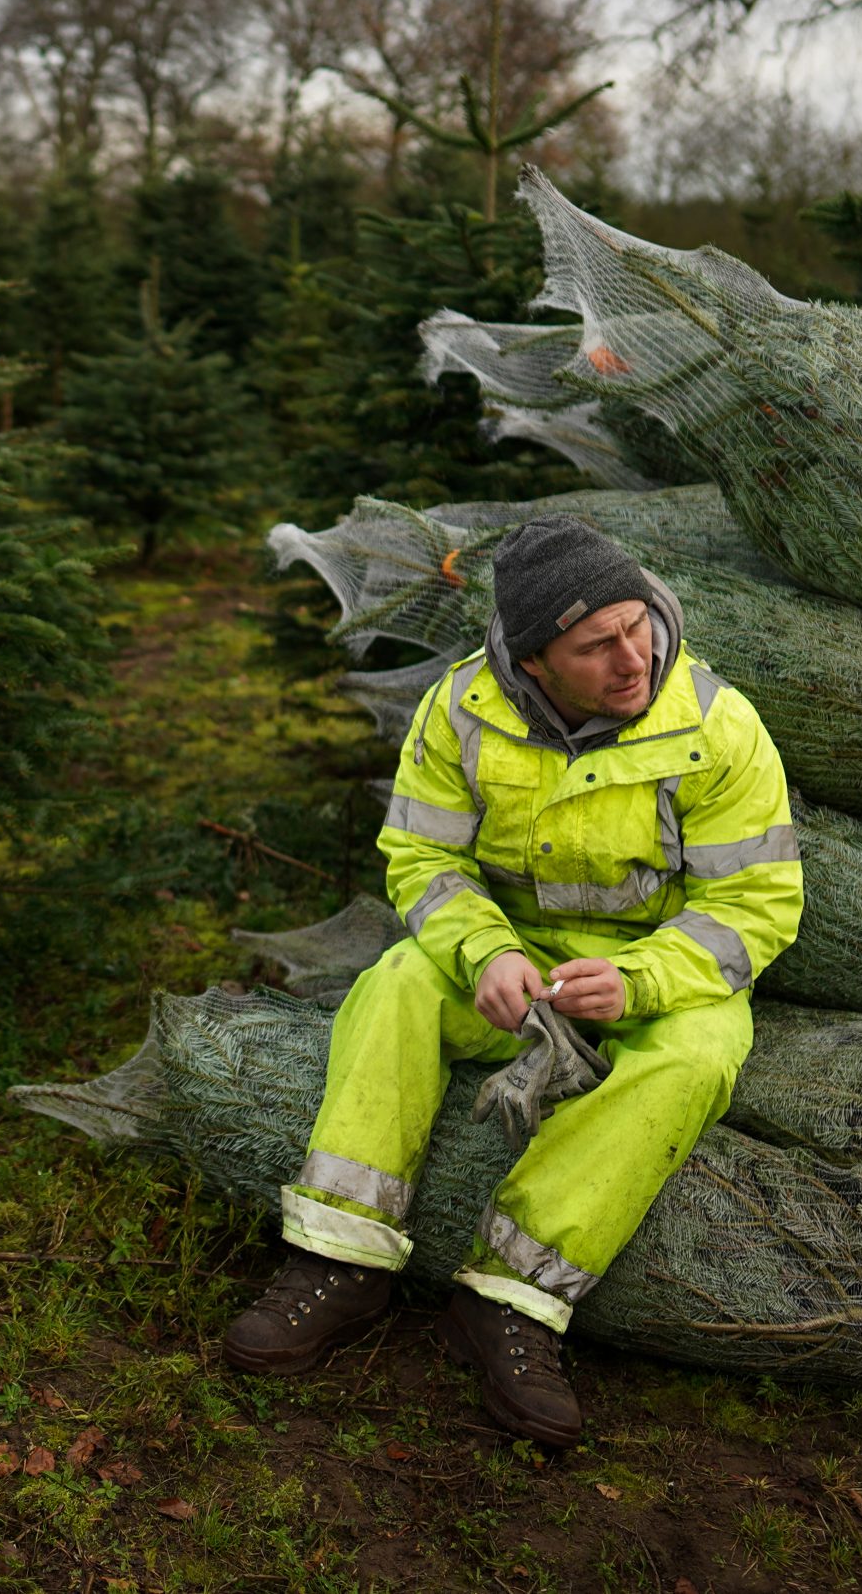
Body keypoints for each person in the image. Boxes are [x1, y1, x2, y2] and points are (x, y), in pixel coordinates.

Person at [220, 515, 804, 1446]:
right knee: (398, 981)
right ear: (533, 663)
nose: (633, 658)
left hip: (651, 974)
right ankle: (340, 1258)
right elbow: (420, 859)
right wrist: (485, 953)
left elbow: (756, 904)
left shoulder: (714, 724)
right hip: (510, 959)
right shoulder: (461, 709)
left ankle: (513, 1302)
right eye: (597, 645)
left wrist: (638, 979)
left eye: (637, 625)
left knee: (700, 1052)